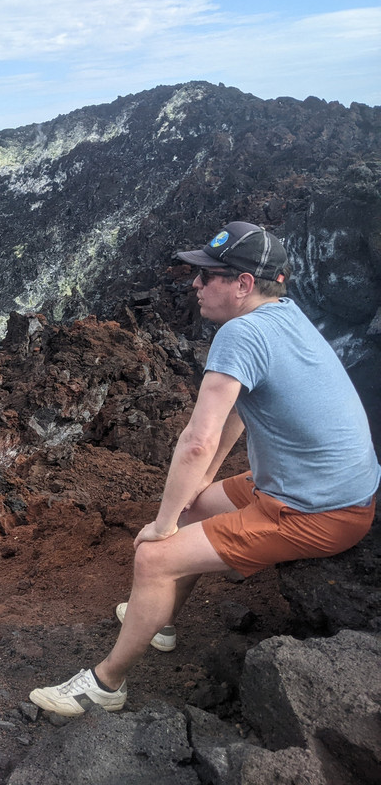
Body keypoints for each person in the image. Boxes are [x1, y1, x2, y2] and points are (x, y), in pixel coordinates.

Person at [29, 222, 380, 717]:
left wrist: (163, 524)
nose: (194, 285)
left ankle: (105, 685)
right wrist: (191, 496)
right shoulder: (284, 312)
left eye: (207, 275)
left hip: (318, 510)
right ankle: (162, 621)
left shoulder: (240, 333)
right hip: (317, 486)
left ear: (241, 285)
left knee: (153, 558)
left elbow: (197, 439)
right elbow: (239, 412)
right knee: (196, 506)